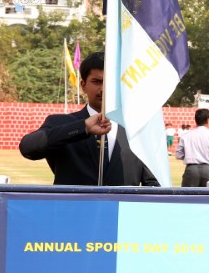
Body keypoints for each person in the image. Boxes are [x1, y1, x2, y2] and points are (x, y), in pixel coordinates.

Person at [19, 52, 159, 186]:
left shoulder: (138, 129)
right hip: (75, 209)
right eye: (97, 81)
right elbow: (28, 148)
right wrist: (83, 127)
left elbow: (154, 184)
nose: (103, 89)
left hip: (121, 210)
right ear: (83, 85)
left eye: (109, 82)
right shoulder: (62, 124)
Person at [175, 108, 209, 187]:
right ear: (208, 120)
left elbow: (178, 155)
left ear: (195, 120)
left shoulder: (186, 136)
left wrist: (190, 156)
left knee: (189, 197)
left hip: (191, 169)